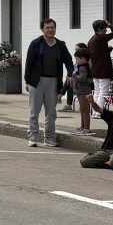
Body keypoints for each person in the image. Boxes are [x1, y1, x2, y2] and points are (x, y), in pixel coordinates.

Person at [23, 19, 74, 147]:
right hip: (37, 81)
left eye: (52, 27)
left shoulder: (60, 45)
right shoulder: (36, 43)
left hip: (53, 81)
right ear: (42, 29)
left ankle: (49, 138)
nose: (50, 30)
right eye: (47, 28)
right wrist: (27, 81)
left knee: (51, 112)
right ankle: (33, 137)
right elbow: (29, 63)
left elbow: (68, 61)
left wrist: (70, 73)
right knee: (34, 111)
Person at [84, 19, 113, 108]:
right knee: (103, 92)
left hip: (95, 69)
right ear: (99, 29)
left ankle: (95, 112)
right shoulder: (101, 38)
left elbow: (96, 53)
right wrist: (109, 24)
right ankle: (99, 112)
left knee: (97, 91)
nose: (106, 31)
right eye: (104, 29)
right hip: (103, 69)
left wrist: (107, 50)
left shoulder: (91, 40)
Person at [70, 46, 95, 132]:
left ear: (83, 59)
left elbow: (82, 78)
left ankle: (86, 128)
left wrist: (74, 75)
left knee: (84, 110)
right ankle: (82, 126)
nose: (76, 61)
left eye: (77, 59)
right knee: (82, 110)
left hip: (83, 91)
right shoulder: (83, 67)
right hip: (81, 90)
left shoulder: (83, 67)